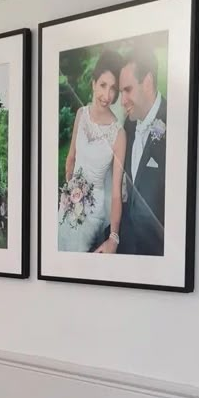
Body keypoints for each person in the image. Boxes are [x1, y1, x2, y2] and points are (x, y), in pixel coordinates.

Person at [58, 53, 125, 253]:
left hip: (94, 211)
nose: (107, 95)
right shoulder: (81, 114)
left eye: (113, 88)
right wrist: (68, 196)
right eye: (103, 85)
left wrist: (113, 236)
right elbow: (70, 159)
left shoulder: (118, 134)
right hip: (68, 203)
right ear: (93, 83)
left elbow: (115, 193)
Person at [117, 42, 167, 255]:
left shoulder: (176, 125)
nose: (122, 101)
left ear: (147, 82)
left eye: (127, 90)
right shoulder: (128, 126)